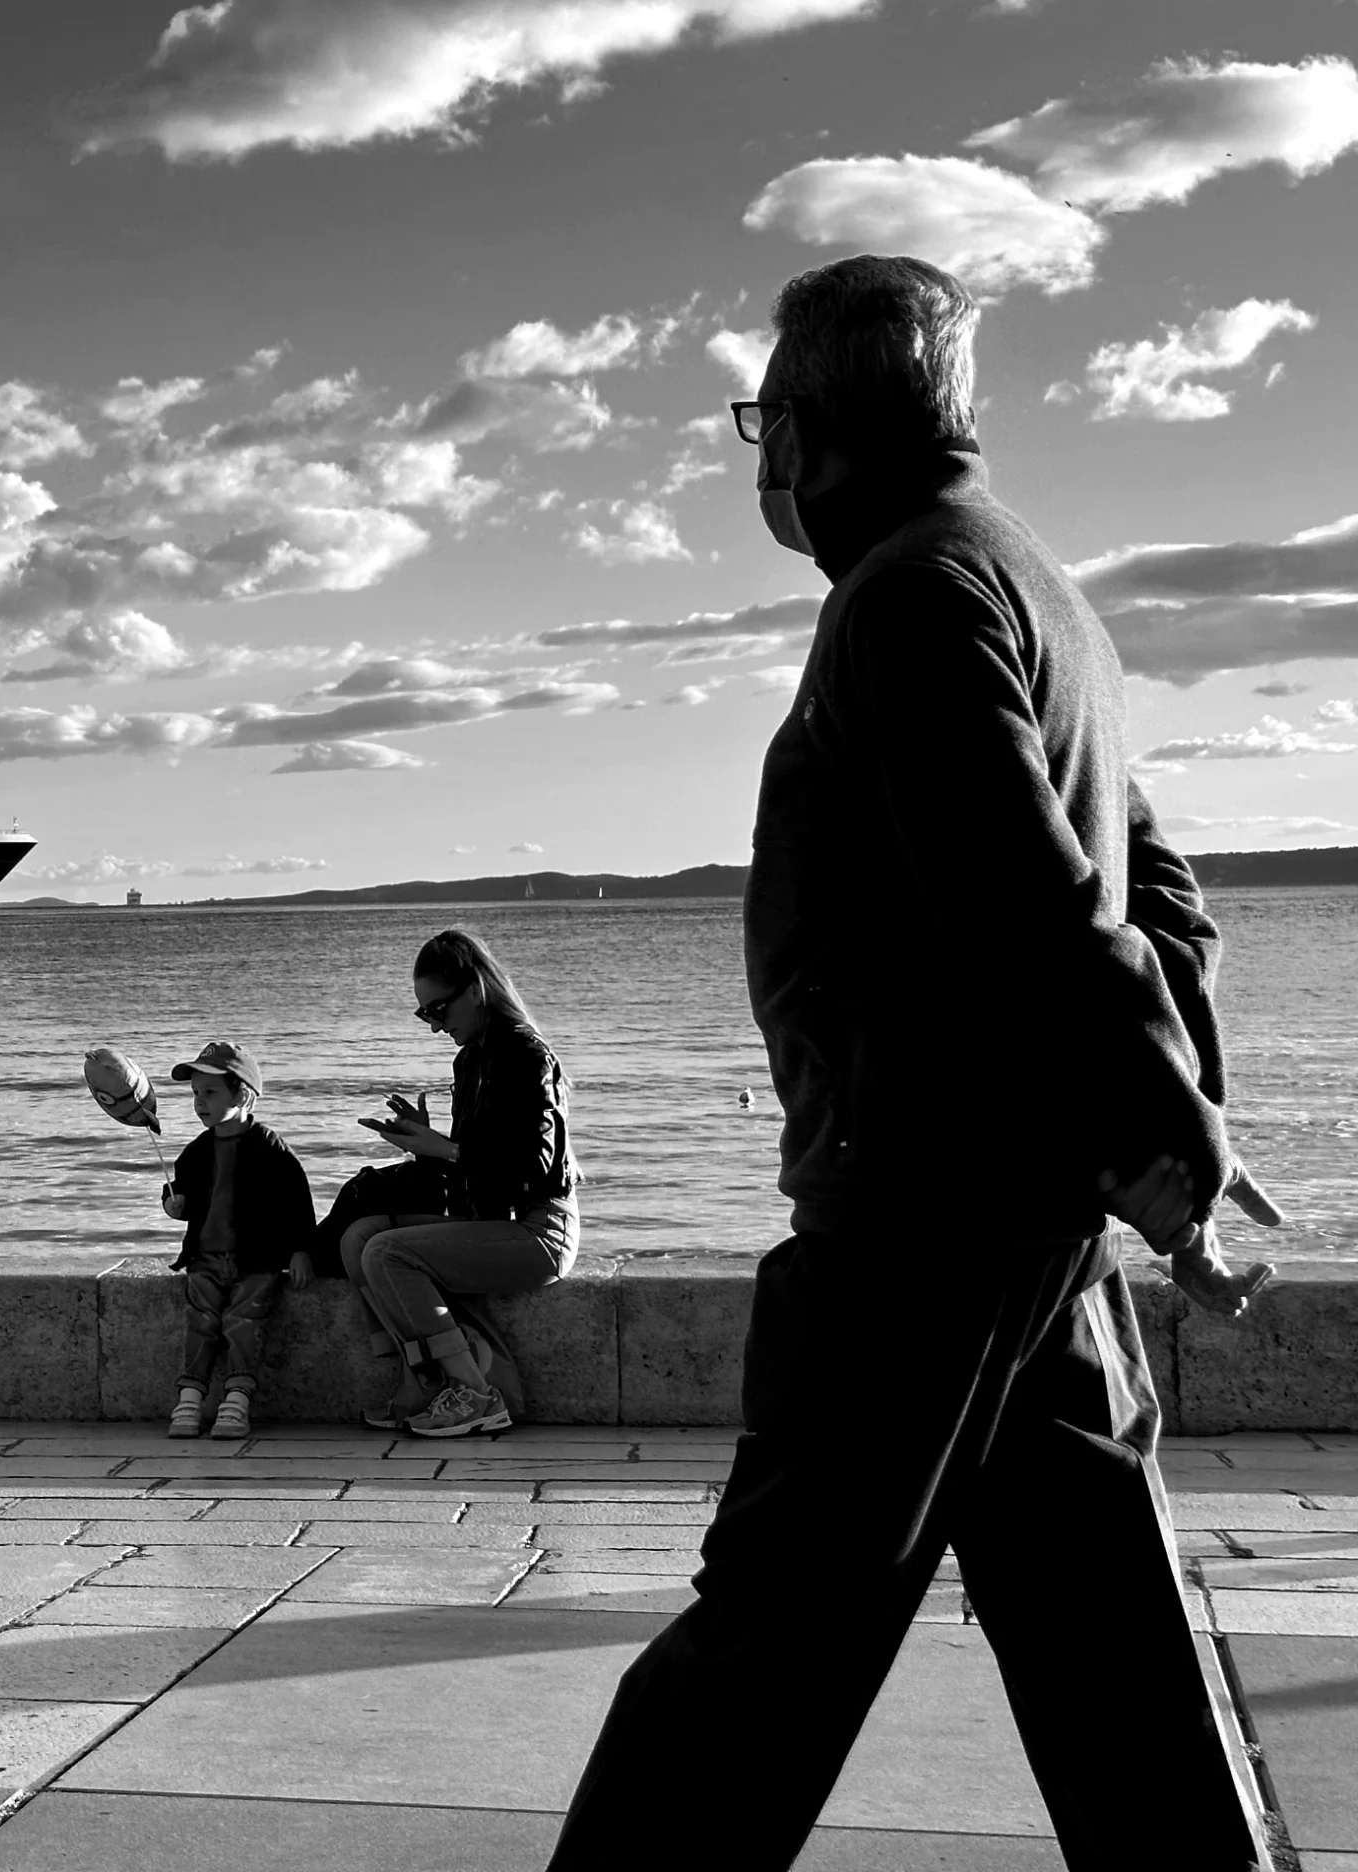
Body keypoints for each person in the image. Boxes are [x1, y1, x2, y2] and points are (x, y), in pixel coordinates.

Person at [546, 255, 1278, 1872]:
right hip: (1033, 1235)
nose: (762, 467)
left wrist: (1175, 1141)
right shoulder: (1034, 583)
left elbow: (1037, 905)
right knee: (1112, 1659)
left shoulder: (908, 596)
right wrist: (1164, 1123)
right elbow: (1161, 903)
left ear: (809, 431)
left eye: (762, 428)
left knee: (757, 1658)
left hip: (915, 1234)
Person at [332, 928, 578, 1438]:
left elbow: (535, 1166)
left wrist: (445, 1149)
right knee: (358, 1239)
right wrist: (426, 1143)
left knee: (386, 1253)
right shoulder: (470, 1060)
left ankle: (475, 1393)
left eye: (439, 1010)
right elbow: (471, 1166)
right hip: (492, 1219)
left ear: (476, 990)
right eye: (424, 1014)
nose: (434, 1025)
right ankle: (422, 1380)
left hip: (539, 1230)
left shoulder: (526, 1055)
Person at [159, 1040, 320, 1441]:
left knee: (243, 1323)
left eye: (210, 1092)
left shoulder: (271, 1149)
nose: (199, 1102)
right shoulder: (196, 1151)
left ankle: (237, 1398)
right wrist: (174, 1205)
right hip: (205, 1258)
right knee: (200, 1323)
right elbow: (182, 1191)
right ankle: (191, 1396)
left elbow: (297, 1202)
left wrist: (301, 1249)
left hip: (256, 1259)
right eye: (196, 1093)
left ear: (243, 1096)